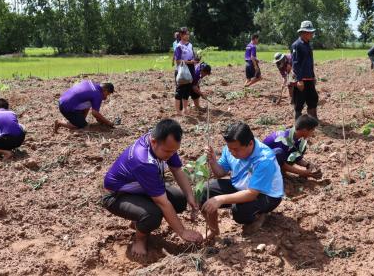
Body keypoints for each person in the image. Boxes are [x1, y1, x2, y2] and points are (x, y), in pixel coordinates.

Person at [102, 119, 203, 256]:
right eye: (168, 151)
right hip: (116, 196)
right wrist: (182, 232)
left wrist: (190, 196)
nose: (171, 155)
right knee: (153, 215)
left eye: (174, 151)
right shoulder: (143, 161)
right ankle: (140, 239)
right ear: (154, 141)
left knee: (179, 199)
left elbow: (177, 170)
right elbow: (162, 202)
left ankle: (138, 220)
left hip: (139, 189)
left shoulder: (164, 143)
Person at [200, 122, 284, 239]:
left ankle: (259, 215)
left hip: (266, 195)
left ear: (250, 143)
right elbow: (220, 173)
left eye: (236, 150)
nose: (232, 153)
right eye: (230, 149)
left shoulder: (264, 159)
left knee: (240, 211)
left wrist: (221, 199)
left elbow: (251, 194)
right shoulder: (230, 148)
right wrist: (213, 161)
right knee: (206, 191)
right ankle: (213, 231)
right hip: (242, 187)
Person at [263, 115, 322, 179]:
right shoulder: (284, 139)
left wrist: (308, 165)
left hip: (276, 160)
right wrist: (302, 172)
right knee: (278, 153)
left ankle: (280, 172)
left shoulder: (296, 138)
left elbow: (296, 158)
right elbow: (279, 160)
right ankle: (277, 173)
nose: (313, 133)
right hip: (262, 164)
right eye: (312, 130)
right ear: (304, 130)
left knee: (301, 147)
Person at [291, 20, 319, 120]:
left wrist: (313, 76)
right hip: (301, 79)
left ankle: (312, 119)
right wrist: (299, 80)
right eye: (309, 32)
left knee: (313, 99)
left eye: (312, 32)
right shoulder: (297, 45)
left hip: (309, 78)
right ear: (303, 33)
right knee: (299, 101)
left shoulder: (308, 45)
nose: (311, 34)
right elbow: (295, 63)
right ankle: (298, 123)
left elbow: (310, 62)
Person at [174, 27, 199, 115]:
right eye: (186, 34)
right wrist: (190, 62)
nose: (188, 36)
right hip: (182, 71)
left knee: (187, 90)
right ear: (181, 35)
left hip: (191, 69)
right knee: (180, 90)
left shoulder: (190, 45)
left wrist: (195, 59)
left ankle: (185, 109)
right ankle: (178, 111)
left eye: (188, 34)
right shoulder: (179, 46)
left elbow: (192, 55)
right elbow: (177, 61)